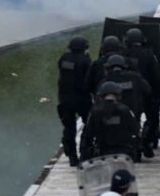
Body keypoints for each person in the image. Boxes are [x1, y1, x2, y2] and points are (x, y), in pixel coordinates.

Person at [80, 81, 140, 161]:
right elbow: (136, 130)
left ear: (101, 96)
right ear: (118, 95)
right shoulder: (126, 110)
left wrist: (83, 156)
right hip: (124, 154)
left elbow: (88, 134)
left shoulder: (95, 111)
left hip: (102, 153)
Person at [57, 37, 92, 167]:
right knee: (89, 124)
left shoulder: (64, 58)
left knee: (69, 127)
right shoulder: (85, 60)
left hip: (65, 98)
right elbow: (89, 78)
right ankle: (84, 151)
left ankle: (72, 155)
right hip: (82, 98)